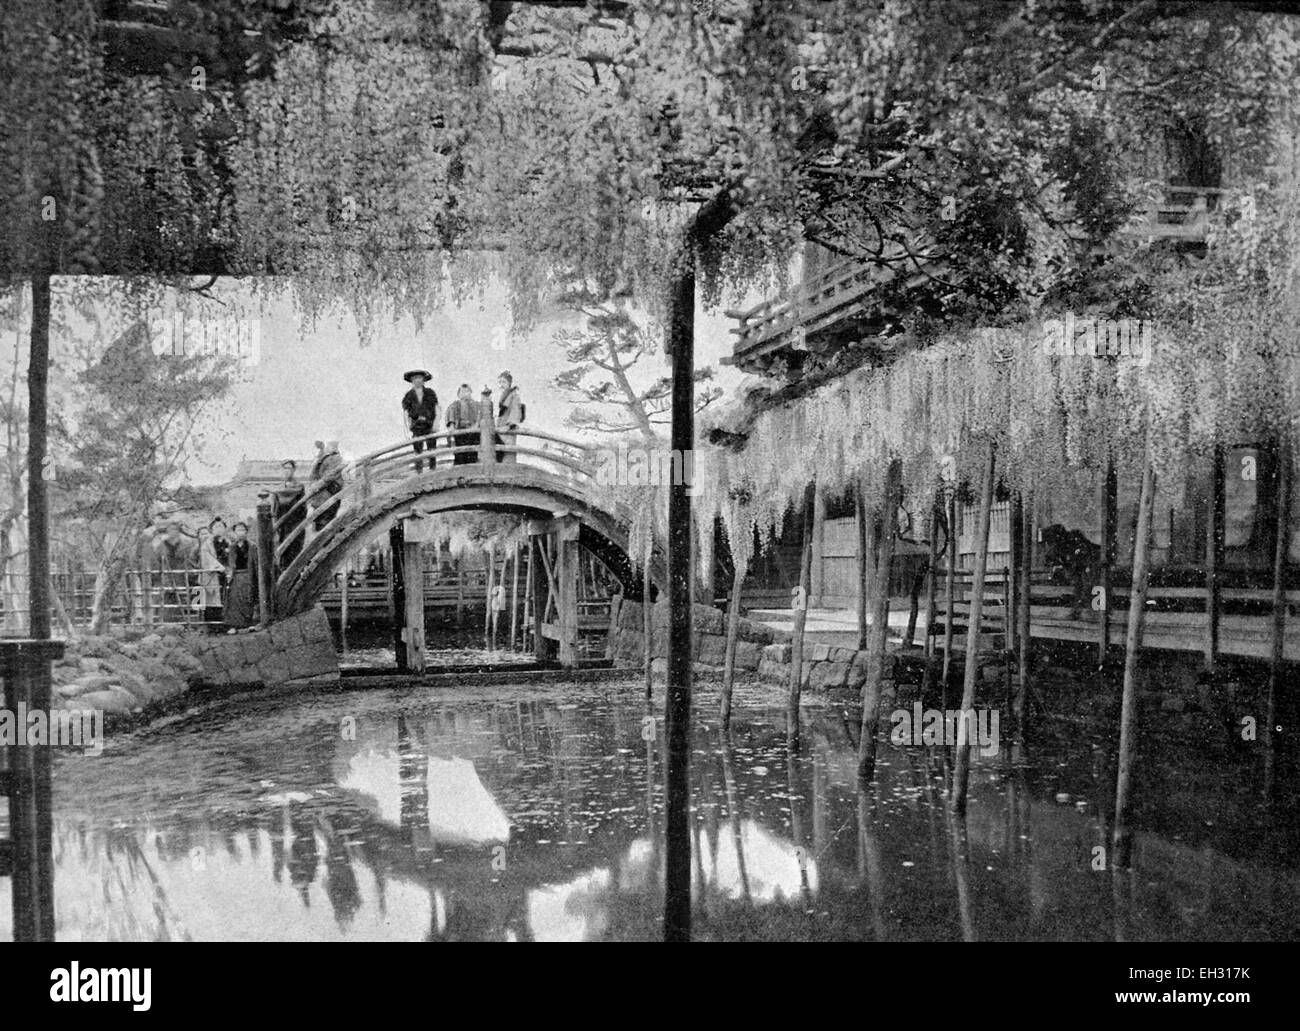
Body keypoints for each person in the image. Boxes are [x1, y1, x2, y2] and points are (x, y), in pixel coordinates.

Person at [153, 521, 196, 623]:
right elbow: (157, 561)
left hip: (182, 575)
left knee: (184, 599)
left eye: (175, 530)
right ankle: (167, 622)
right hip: (167, 576)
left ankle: (186, 622)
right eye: (170, 530)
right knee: (167, 599)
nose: (173, 532)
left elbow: (190, 559)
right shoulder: (161, 546)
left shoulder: (186, 544)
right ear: (167, 531)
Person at [401, 369, 439, 473]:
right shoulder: (409, 395)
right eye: (415, 378)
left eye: (420, 378)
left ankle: (433, 471)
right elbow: (405, 414)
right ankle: (419, 473)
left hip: (429, 425)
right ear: (412, 381)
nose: (417, 380)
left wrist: (436, 424)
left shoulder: (430, 393)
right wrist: (407, 430)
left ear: (423, 380)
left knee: (432, 450)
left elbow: (436, 408)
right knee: (418, 451)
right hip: (416, 427)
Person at [272, 458, 307, 567]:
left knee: (295, 552)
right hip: (282, 526)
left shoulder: (299, 486)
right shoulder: (279, 487)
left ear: (294, 470)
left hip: (295, 524)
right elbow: (275, 507)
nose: (287, 471)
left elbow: (303, 508)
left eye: (289, 468)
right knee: (283, 554)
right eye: (285, 468)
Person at [224, 521, 258, 631]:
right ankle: (234, 625)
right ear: (234, 532)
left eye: (243, 530)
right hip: (236, 575)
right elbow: (230, 563)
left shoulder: (252, 546)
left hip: (248, 574)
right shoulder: (232, 547)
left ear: (246, 532)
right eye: (238, 530)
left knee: (248, 598)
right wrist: (229, 575)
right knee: (234, 600)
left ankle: (249, 624)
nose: (241, 532)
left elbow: (255, 563)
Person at [310, 440, 345, 532]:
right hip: (321, 496)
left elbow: (330, 476)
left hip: (328, 495)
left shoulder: (335, 458)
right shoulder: (325, 457)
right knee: (321, 522)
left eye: (326, 446)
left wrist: (317, 484)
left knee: (325, 523)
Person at [445, 383, 479, 465]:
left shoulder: (477, 405)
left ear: (471, 393)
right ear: (458, 394)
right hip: (460, 432)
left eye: (467, 391)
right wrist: (452, 427)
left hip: (472, 433)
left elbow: (480, 418)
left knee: (472, 454)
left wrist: (475, 426)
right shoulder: (454, 406)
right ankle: (460, 474)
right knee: (460, 454)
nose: (465, 394)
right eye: (462, 392)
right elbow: (451, 420)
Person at [495, 370, 523, 463]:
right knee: (499, 450)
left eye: (504, 382)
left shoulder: (514, 396)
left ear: (509, 383)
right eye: (500, 382)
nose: (501, 385)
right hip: (501, 427)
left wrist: (510, 424)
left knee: (508, 452)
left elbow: (515, 410)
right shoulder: (504, 395)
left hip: (508, 428)